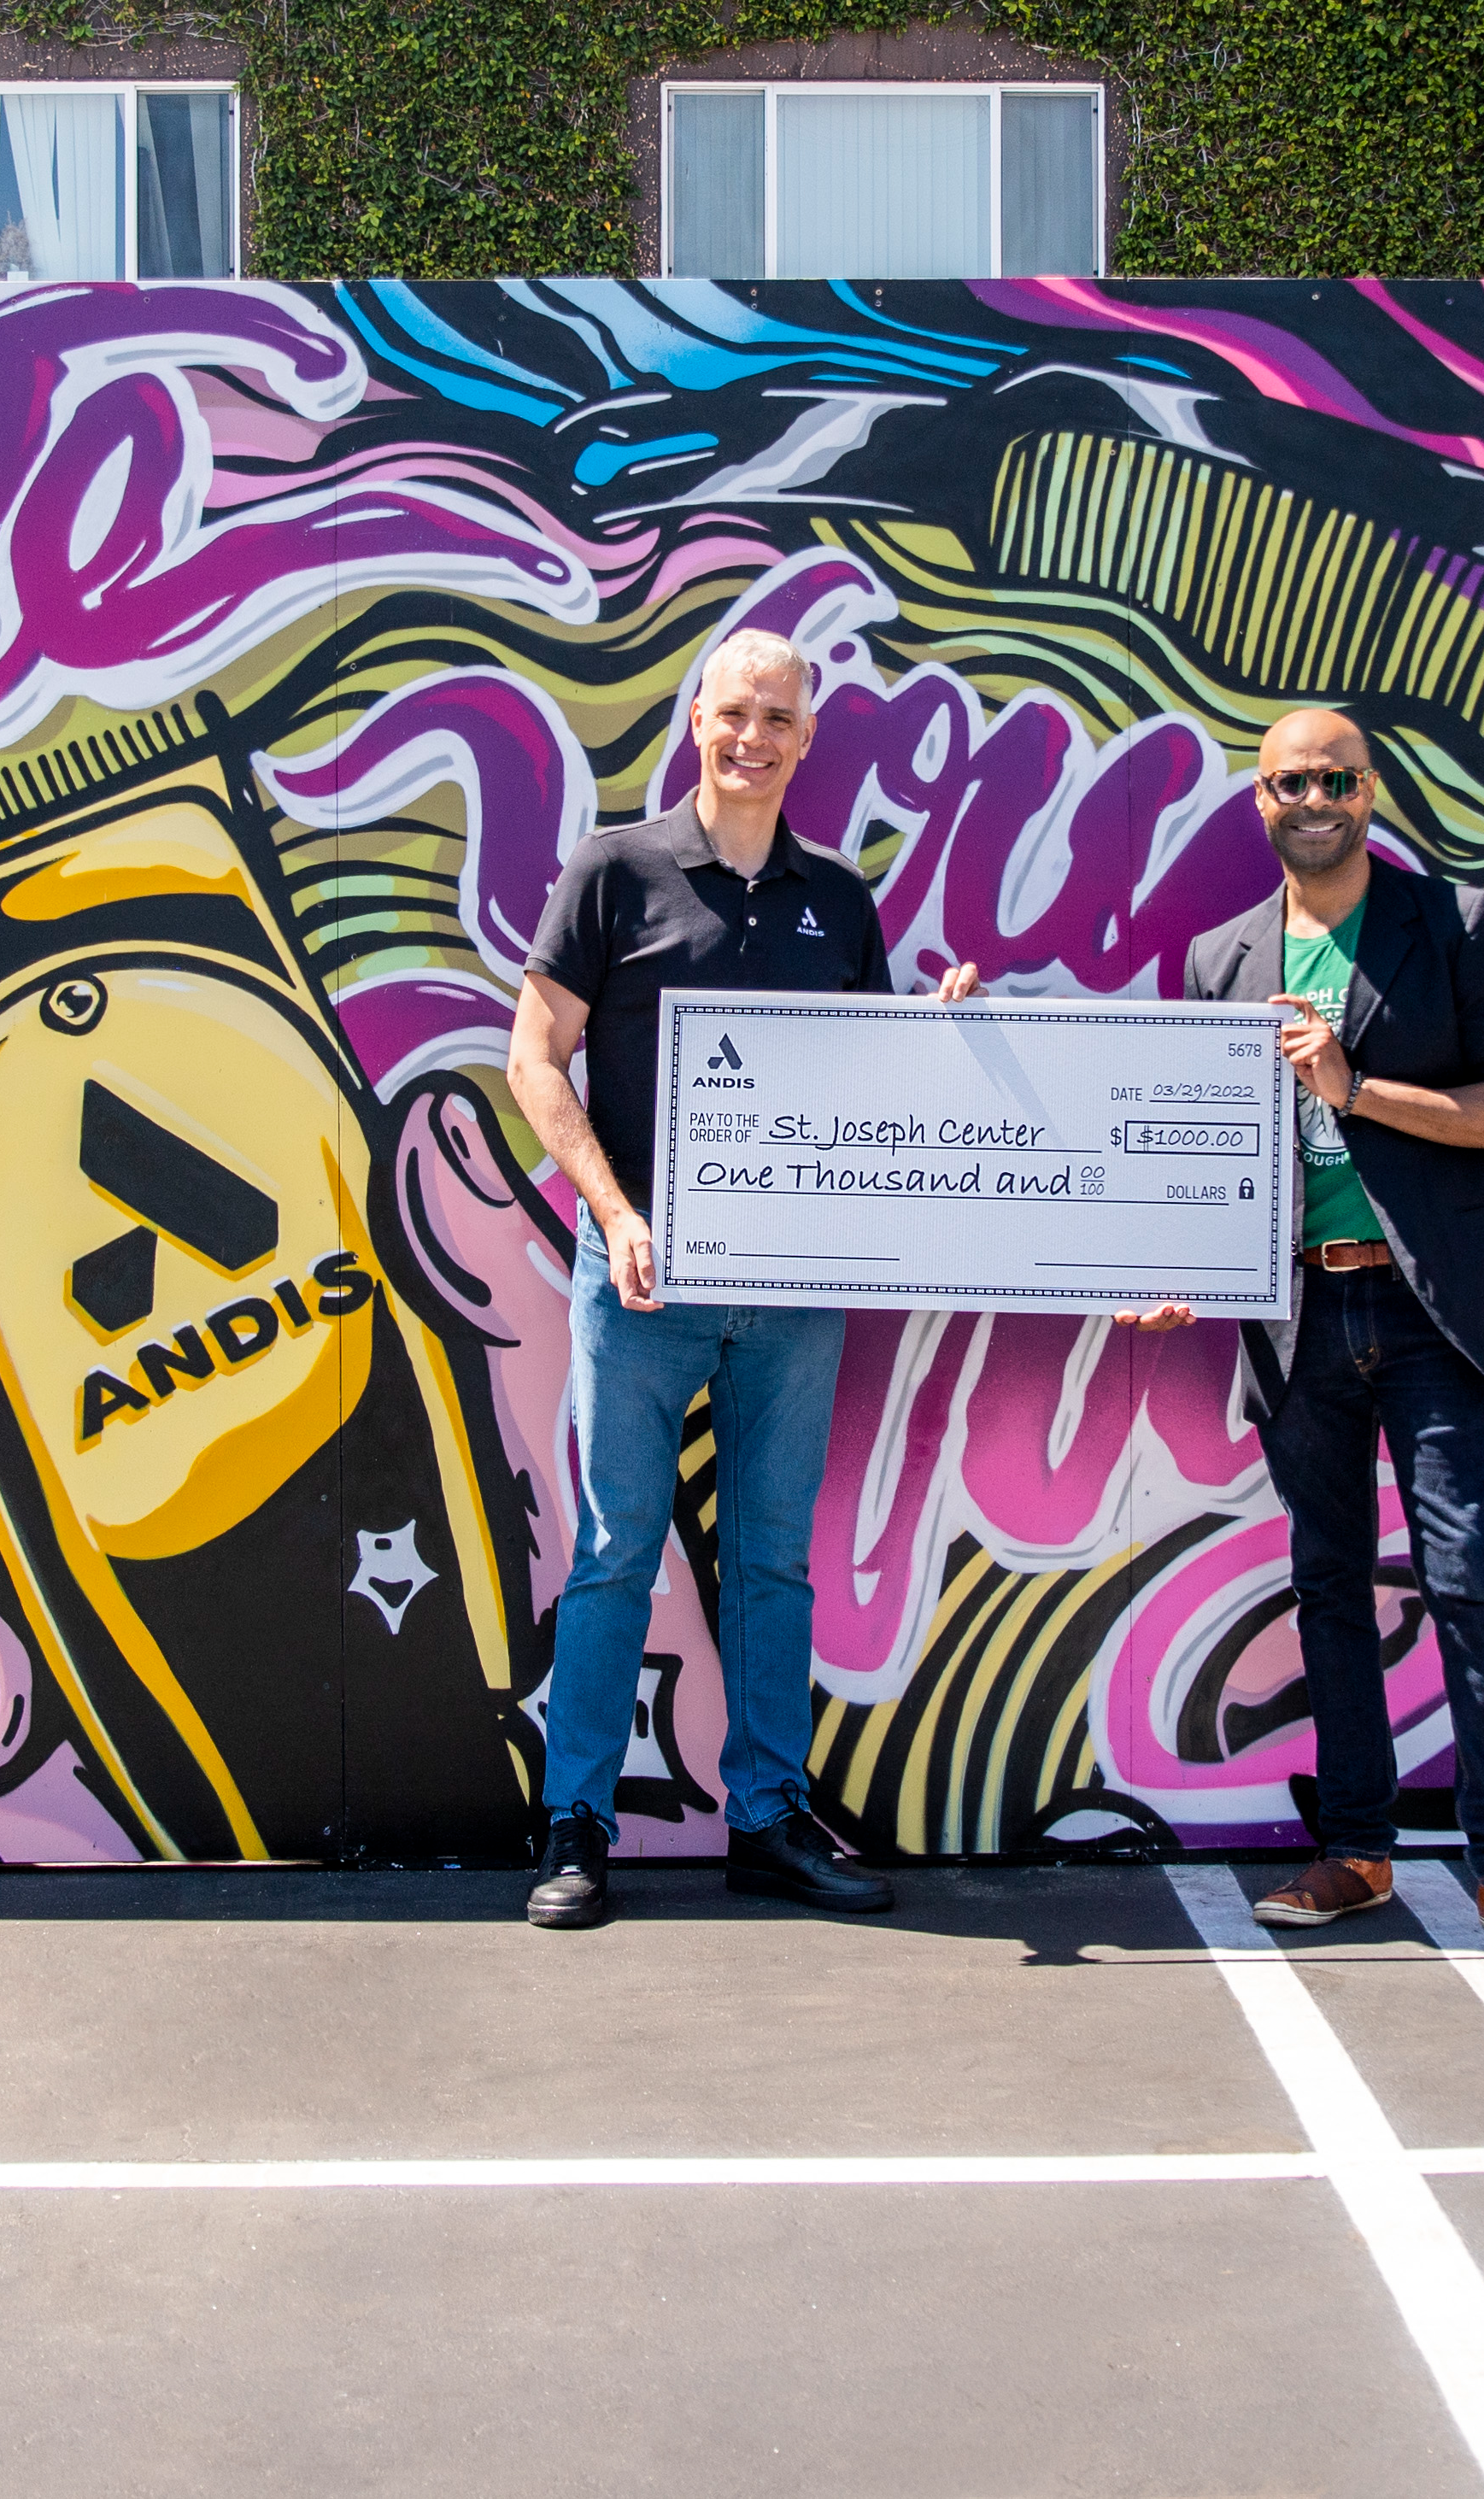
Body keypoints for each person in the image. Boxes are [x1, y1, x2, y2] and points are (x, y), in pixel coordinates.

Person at [504, 631, 980, 1930]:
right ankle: (578, 1824)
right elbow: (534, 1058)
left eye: (778, 718)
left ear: (807, 738)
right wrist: (615, 1211)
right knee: (612, 1553)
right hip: (642, 1275)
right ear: (694, 719)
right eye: (733, 713)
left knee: (773, 1561)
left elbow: (871, 1084)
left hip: (795, 1283)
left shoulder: (839, 898)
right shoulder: (615, 871)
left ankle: (768, 1817)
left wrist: (941, 1041)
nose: (752, 737)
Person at [1123, 710, 1484, 1958]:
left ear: (1373, 792)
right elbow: (1212, 1160)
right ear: (1262, 801)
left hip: (1432, 1306)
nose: (1316, 797)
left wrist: (1357, 1089)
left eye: (1337, 777)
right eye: (1292, 781)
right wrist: (1187, 1268)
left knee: (1463, 1582)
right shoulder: (1223, 957)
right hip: (1298, 1314)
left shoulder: (1456, 925)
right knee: (1328, 1587)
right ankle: (1355, 1851)